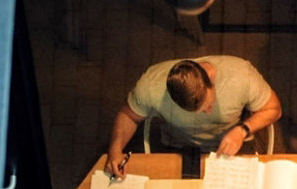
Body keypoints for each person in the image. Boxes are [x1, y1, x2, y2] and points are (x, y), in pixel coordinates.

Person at [104, 55, 282, 178]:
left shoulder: (242, 77)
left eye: (210, 105)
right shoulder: (151, 86)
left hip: (233, 147)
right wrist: (115, 149)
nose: (207, 113)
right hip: (178, 149)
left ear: (211, 80)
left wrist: (242, 130)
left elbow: (274, 109)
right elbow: (128, 116)